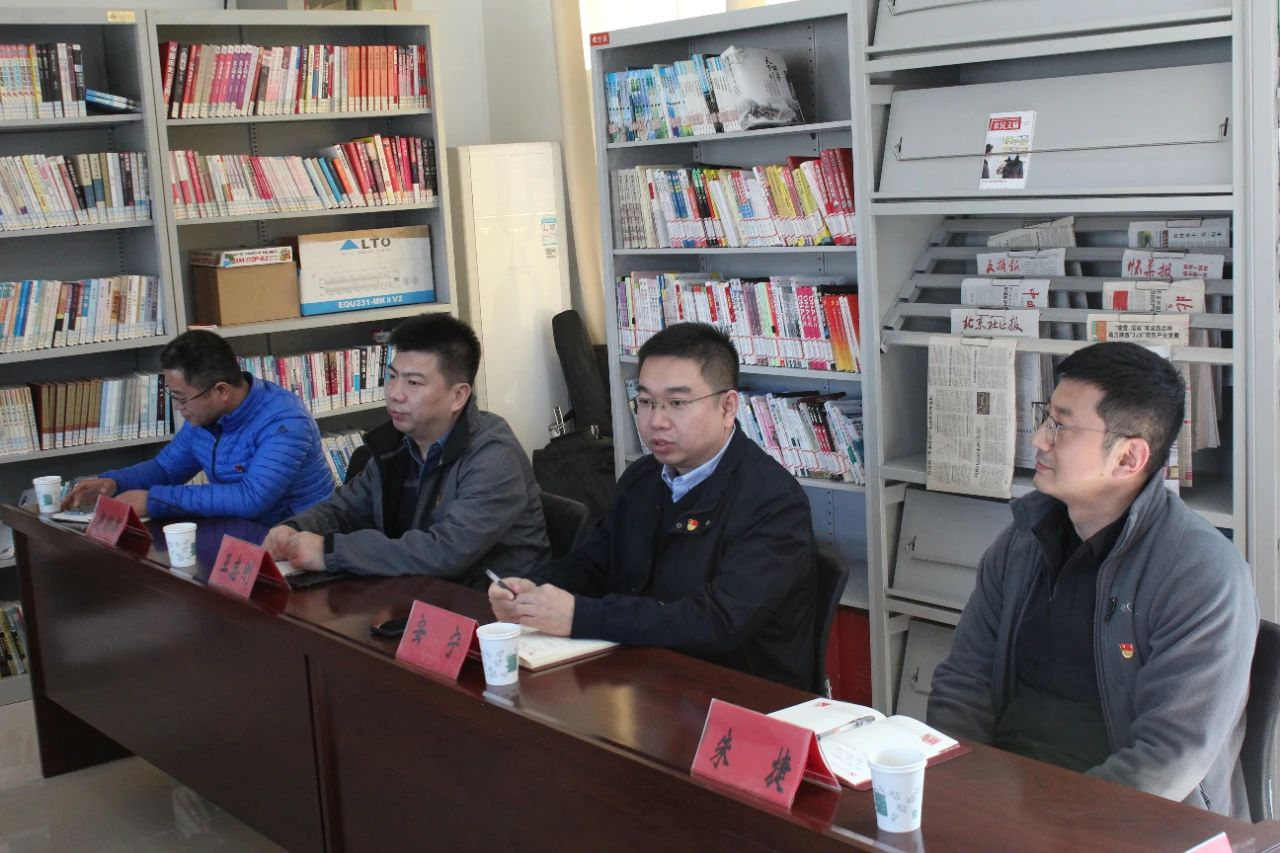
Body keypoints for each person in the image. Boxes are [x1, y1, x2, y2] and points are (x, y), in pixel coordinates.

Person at [927, 342, 1258, 818]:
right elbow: (963, 683)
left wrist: (1051, 826)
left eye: (1060, 426)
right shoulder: (1023, 541)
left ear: (1128, 458)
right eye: (1046, 417)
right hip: (1005, 796)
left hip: (1129, 821)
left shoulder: (1202, 574)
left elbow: (1167, 760)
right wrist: (967, 791)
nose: (1039, 440)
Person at [488, 322, 818, 691]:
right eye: (645, 402)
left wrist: (581, 616)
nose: (656, 421)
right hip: (645, 674)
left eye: (677, 403)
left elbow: (719, 621)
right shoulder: (643, 477)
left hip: (741, 693)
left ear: (727, 407)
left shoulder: (773, 501)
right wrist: (533, 591)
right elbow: (595, 563)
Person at [265, 313, 548, 588]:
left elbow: (446, 553)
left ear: (458, 395)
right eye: (392, 376)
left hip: (492, 605)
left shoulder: (494, 456)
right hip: (416, 591)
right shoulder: (399, 442)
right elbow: (346, 508)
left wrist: (330, 552)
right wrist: (295, 528)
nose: (394, 394)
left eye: (413, 383)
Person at [64, 330, 333, 526]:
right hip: (242, 531)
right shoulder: (205, 417)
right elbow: (166, 469)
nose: (178, 407)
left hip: (299, 538)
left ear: (221, 391)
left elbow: (250, 498)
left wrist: (152, 501)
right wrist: (115, 483)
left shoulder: (285, 421)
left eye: (182, 398)